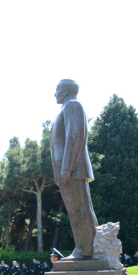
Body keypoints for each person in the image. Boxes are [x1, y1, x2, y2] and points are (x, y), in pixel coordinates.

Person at [51, 79, 98, 260]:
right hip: (69, 170)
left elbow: (76, 134)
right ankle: (85, 248)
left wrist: (67, 167)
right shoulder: (68, 107)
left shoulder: (72, 105)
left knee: (79, 210)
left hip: (72, 170)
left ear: (65, 90)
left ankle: (85, 249)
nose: (54, 94)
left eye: (57, 90)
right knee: (76, 210)